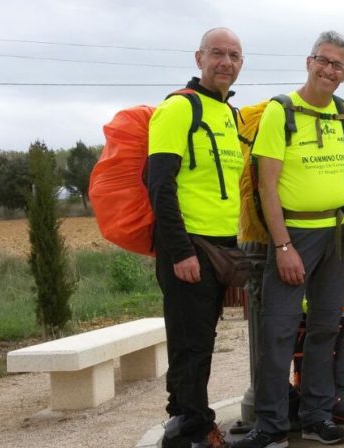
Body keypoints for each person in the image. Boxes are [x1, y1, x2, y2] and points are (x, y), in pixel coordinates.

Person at [234, 31, 344, 448]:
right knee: (279, 331)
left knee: (324, 327)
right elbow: (266, 187)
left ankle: (317, 415)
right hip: (294, 235)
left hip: (336, 235)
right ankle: (270, 426)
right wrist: (282, 245)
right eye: (323, 60)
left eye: (338, 65)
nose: (329, 69)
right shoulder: (280, 111)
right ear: (309, 61)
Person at [148, 28, 244, 448]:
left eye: (234, 56)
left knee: (202, 340)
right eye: (217, 54)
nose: (226, 62)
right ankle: (189, 429)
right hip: (190, 246)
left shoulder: (231, 114)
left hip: (225, 245)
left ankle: (193, 424)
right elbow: (159, 186)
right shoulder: (178, 109)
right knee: (190, 344)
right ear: (199, 58)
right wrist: (180, 251)